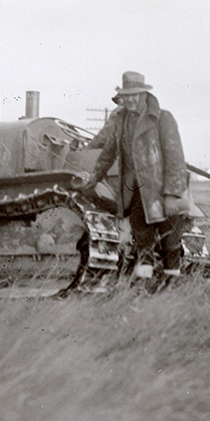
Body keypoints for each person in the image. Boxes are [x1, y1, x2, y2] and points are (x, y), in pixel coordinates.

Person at [79, 71, 190, 279]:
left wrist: (172, 194)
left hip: (163, 190)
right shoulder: (121, 121)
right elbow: (107, 154)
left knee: (170, 241)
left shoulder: (162, 119)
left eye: (134, 95)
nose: (129, 99)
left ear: (143, 94)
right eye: (126, 95)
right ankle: (144, 284)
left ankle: (171, 284)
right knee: (142, 240)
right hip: (137, 192)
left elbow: (175, 158)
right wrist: (93, 179)